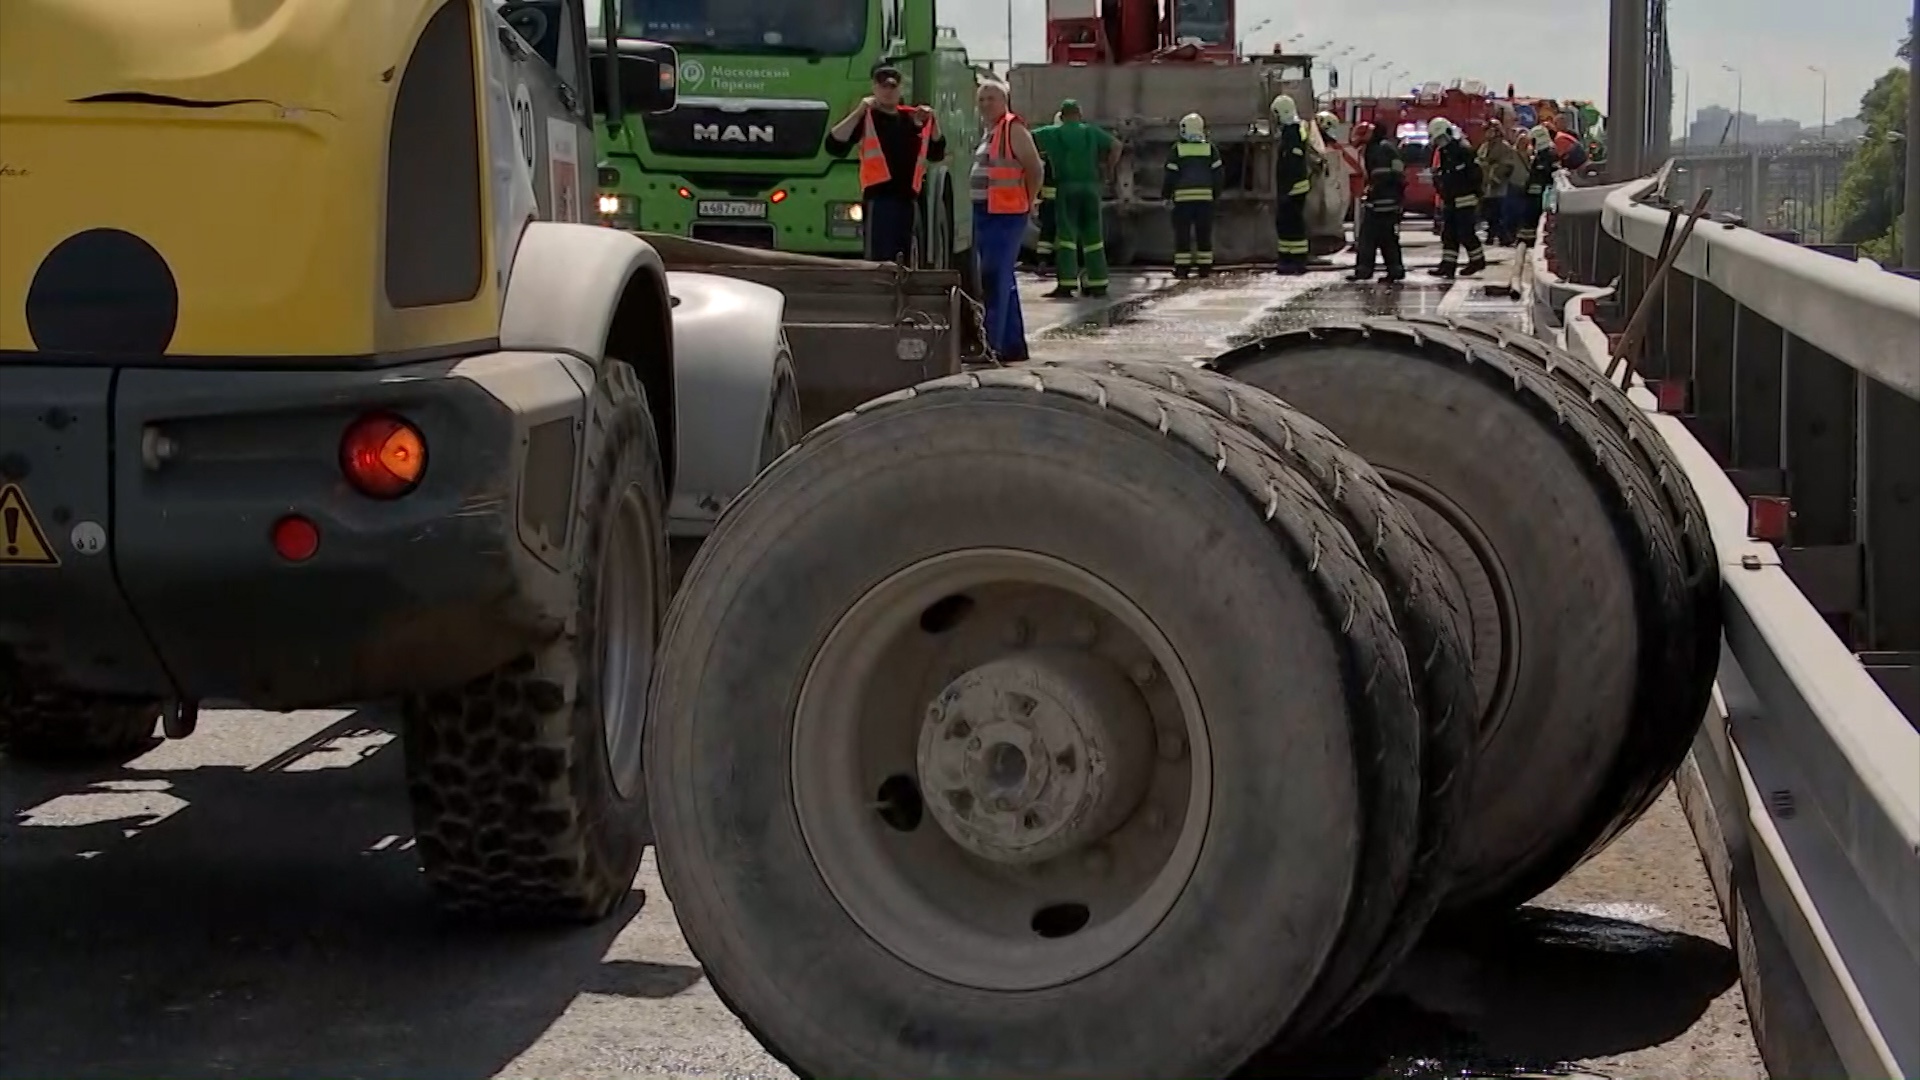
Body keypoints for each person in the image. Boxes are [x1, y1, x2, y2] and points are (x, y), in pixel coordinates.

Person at [823, 65, 947, 263]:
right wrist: (860, 110)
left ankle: (900, 292)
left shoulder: (911, 118)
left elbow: (937, 152)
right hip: (879, 199)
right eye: (883, 87)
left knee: (903, 258)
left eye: (893, 87)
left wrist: (933, 120)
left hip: (907, 199)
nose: (888, 92)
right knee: (879, 259)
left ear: (900, 90)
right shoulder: (868, 117)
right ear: (874, 89)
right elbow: (834, 144)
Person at [970, 80, 1045, 360]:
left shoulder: (1013, 128)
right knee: (1004, 279)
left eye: (992, 98)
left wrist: (1029, 200)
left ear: (1005, 101)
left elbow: (1034, 168)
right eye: (982, 100)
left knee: (993, 277)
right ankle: (1013, 345)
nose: (986, 104)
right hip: (987, 212)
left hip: (1004, 214)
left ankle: (992, 345)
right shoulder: (990, 132)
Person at [1032, 99, 1121, 298]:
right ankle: (1098, 282)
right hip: (1090, 188)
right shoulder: (1091, 132)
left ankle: (1067, 283)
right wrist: (1108, 170)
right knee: (1093, 237)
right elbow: (1116, 145)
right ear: (1080, 114)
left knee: (1067, 238)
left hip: (1067, 187)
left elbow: (1028, 139)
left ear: (1062, 116)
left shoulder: (1053, 132)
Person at [1162, 111, 1222, 278]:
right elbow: (1218, 175)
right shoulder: (1210, 149)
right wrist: (1215, 195)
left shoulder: (1178, 149)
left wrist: (1166, 196)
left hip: (1183, 201)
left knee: (1183, 235)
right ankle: (1205, 268)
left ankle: (1182, 269)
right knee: (1204, 234)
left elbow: (1170, 175)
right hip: (1205, 200)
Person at [1347, 120, 1407, 283]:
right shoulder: (1388, 147)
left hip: (1380, 201)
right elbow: (1398, 174)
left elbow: (1380, 175)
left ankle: (1364, 270)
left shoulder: (1376, 150)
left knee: (1368, 237)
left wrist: (1371, 191)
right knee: (1388, 238)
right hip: (1392, 200)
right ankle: (1395, 270)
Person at [1428, 118, 1487, 279]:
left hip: (1465, 198)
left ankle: (1477, 260)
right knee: (1448, 234)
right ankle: (1448, 266)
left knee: (1465, 232)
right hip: (1450, 199)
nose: (1440, 142)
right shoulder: (1444, 152)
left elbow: (1475, 174)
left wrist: (1473, 192)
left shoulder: (1462, 150)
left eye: (1441, 138)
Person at [1270, 94, 1311, 274]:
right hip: (1292, 186)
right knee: (1285, 224)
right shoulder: (1293, 130)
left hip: (1294, 187)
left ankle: (1297, 261)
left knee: (1292, 224)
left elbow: (1293, 163)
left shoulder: (1292, 132)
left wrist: (1287, 189)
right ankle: (1286, 259)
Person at [1476, 120, 1524, 245]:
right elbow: (1479, 160)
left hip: (1500, 187)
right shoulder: (1485, 146)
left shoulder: (1504, 147)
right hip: (1487, 187)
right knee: (1489, 214)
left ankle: (1504, 237)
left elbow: (1508, 165)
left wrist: (1495, 175)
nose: (1487, 133)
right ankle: (1492, 235)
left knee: (1498, 214)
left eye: (1489, 130)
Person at [1028, 111, 1063, 273]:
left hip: (1049, 199)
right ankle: (1067, 262)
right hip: (1067, 197)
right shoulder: (1079, 136)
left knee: (1047, 231)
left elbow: (1029, 137)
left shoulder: (1049, 136)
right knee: (1068, 232)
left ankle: (1042, 261)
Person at [1516, 125, 1558, 248]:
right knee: (1530, 217)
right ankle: (1526, 240)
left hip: (1539, 194)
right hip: (1536, 194)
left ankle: (1528, 240)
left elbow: (1545, 175)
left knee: (1532, 217)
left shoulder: (1546, 155)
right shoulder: (1545, 153)